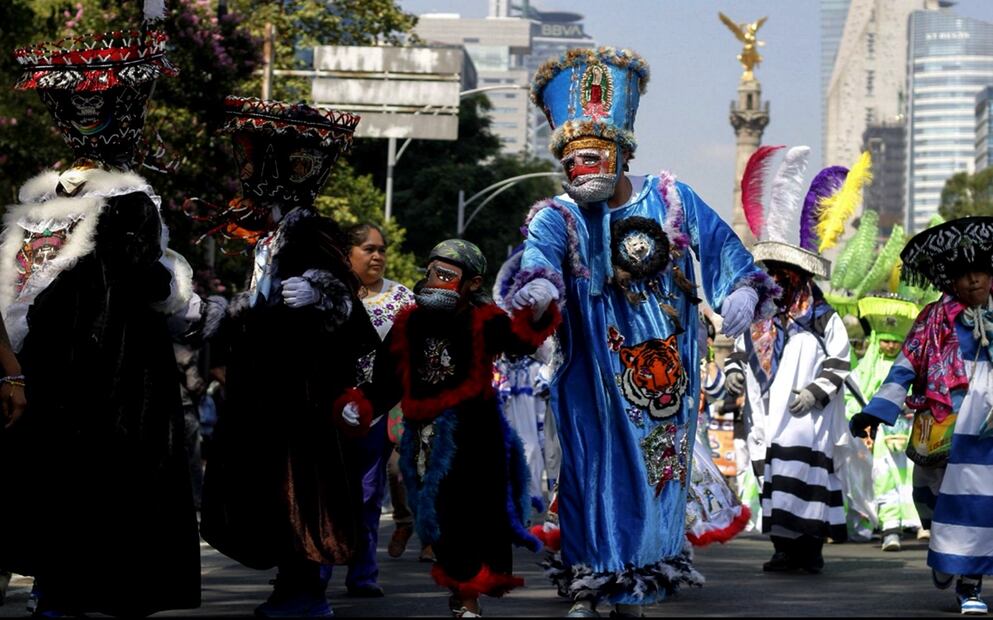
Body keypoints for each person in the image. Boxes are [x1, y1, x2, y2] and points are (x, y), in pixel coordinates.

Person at [512, 48, 778, 617]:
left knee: (653, 474)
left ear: (620, 150)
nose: (582, 172)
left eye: (593, 157)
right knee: (591, 471)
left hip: (663, 382)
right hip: (589, 373)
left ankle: (637, 577)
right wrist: (535, 285)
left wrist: (744, 290)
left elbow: (728, 250)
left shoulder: (673, 198)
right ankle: (592, 576)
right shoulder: (557, 215)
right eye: (571, 162)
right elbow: (536, 258)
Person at [0, 28, 200, 616]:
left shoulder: (128, 198)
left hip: (98, 379)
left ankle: (61, 590)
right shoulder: (45, 200)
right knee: (54, 492)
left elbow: (134, 286)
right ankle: (55, 587)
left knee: (81, 494)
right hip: (48, 372)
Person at [199, 97, 380, 618]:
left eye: (258, 162)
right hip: (268, 391)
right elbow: (259, 306)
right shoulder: (273, 236)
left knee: (302, 490)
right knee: (273, 490)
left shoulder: (311, 230)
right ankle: (290, 583)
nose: (248, 172)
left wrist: (322, 293)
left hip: (300, 396)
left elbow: (347, 306)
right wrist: (221, 313)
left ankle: (305, 590)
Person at [339, 239, 560, 618]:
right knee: (439, 517)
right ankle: (461, 593)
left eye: (445, 275)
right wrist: (362, 405)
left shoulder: (486, 319)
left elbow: (522, 341)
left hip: (477, 437)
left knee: (474, 515)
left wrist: (537, 308)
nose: (434, 281)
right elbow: (388, 378)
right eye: (431, 272)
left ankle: (467, 596)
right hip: (425, 440)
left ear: (471, 283)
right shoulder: (409, 321)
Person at [725, 147, 869, 576]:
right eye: (771, 272)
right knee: (772, 482)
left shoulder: (821, 315)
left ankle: (809, 551)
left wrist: (813, 391)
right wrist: (734, 374)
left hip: (807, 421)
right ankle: (782, 549)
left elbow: (840, 359)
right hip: (765, 418)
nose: (776, 281)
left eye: (783, 274)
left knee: (806, 483)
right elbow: (739, 351)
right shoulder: (758, 314)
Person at [851, 216, 993, 615]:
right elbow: (905, 367)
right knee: (931, 498)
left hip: (987, 433)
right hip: (944, 428)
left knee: (976, 509)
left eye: (980, 271)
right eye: (964, 275)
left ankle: (970, 586)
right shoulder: (932, 319)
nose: (974, 282)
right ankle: (944, 548)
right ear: (952, 281)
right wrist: (876, 413)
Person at [331, 222, 417, 595]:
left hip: (380, 415)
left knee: (367, 495)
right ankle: (314, 574)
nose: (378, 255)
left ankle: (363, 574)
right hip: (330, 414)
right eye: (368, 249)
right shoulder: (328, 295)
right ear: (346, 253)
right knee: (328, 497)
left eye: (381, 249)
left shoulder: (402, 299)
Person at [845, 295, 922, 552]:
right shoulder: (868, 367)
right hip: (879, 435)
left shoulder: (910, 366)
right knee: (883, 477)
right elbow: (854, 395)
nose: (890, 346)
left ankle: (919, 522)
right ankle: (890, 528)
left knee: (912, 476)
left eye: (896, 342)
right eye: (886, 341)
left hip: (911, 430)